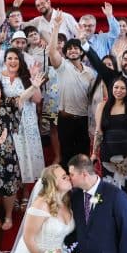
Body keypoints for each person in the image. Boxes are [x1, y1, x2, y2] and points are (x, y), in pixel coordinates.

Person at [0, 76, 39, 229]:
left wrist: (33, 86)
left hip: (7, 153)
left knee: (9, 186)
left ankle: (8, 216)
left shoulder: (8, 105)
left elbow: (22, 97)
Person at [0, 47, 45, 197]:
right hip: (7, 124)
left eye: (16, 58)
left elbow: (37, 99)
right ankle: (12, 194)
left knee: (25, 157)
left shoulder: (25, 77)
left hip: (26, 123)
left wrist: (34, 77)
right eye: (10, 58)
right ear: (5, 61)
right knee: (13, 157)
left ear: (20, 61)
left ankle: (24, 193)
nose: (13, 61)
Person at [49, 15, 96, 165]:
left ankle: (82, 188)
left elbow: (92, 98)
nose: (73, 51)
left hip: (83, 121)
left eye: (76, 48)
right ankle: (68, 187)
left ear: (82, 52)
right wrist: (56, 27)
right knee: (67, 157)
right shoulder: (62, 66)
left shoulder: (90, 73)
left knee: (83, 158)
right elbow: (52, 53)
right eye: (69, 49)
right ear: (65, 53)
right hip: (66, 120)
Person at [93, 76, 127, 195]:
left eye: (123, 88)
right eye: (116, 87)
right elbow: (98, 131)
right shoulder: (102, 106)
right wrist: (94, 153)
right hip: (108, 153)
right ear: (111, 88)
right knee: (109, 188)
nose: (119, 90)